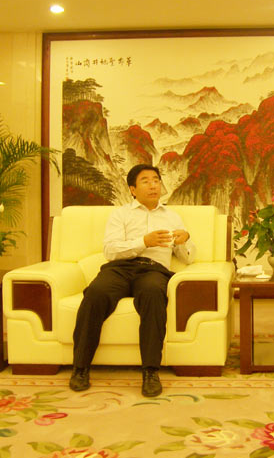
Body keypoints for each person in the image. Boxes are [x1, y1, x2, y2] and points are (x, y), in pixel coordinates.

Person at [69, 164, 195, 397]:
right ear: (133, 189)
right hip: (120, 269)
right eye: (145, 181)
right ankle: (80, 367)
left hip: (153, 270)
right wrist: (143, 242)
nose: (153, 185)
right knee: (95, 293)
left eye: (156, 180)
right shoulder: (121, 214)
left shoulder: (172, 216)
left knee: (153, 294)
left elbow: (187, 258)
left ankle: (150, 371)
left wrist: (185, 239)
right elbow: (111, 250)